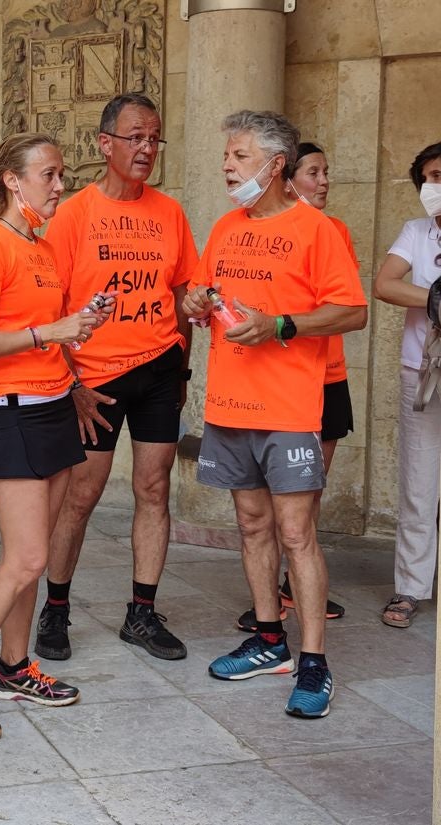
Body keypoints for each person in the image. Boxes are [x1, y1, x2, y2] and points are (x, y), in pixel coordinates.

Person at [183, 111, 366, 719]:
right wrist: (195, 301)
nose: (227, 166)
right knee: (253, 527)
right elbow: (209, 295)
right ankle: (269, 641)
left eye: (238, 155)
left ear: (275, 165)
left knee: (297, 535)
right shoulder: (226, 226)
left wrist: (282, 325)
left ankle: (314, 662)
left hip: (290, 408)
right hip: (231, 404)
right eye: (228, 155)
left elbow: (351, 310)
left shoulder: (317, 230)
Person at [0, 133, 107, 740]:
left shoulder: (41, 245)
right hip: (11, 414)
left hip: (55, 404)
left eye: (62, 174)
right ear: (14, 179)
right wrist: (48, 330)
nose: (60, 185)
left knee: (36, 556)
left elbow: (46, 331)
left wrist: (74, 341)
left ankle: (13, 666)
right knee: (25, 559)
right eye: (50, 174)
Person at [31, 93, 197, 663]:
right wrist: (70, 383)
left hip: (157, 370)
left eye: (154, 137)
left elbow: (181, 294)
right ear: (105, 144)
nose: (146, 148)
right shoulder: (73, 214)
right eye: (135, 137)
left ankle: (142, 614)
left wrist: (183, 366)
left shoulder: (170, 213)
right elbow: (46, 309)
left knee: (154, 489)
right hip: (92, 379)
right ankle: (55, 609)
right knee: (80, 495)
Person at [234, 142, 350, 632]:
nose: (322, 181)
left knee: (302, 510)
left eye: (326, 172)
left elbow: (346, 308)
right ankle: (270, 615)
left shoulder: (329, 231)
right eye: (313, 172)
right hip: (263, 391)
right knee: (263, 516)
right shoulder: (239, 228)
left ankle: (297, 600)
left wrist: (281, 324)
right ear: (288, 177)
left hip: (325, 383)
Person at [372, 140, 441, 628]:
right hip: (424, 371)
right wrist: (435, 297)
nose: (439, 185)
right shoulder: (416, 232)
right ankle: (411, 588)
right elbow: (384, 283)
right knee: (419, 483)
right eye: (433, 177)